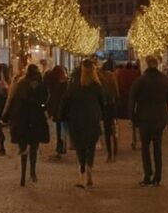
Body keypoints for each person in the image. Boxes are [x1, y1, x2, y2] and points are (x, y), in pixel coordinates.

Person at [129, 56, 168, 187]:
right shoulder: (165, 80)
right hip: (160, 118)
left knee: (145, 148)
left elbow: (132, 100)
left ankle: (147, 174)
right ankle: (158, 176)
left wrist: (132, 117)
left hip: (144, 118)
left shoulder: (140, 81)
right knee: (157, 147)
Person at [61, 58, 106, 188]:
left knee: (80, 147)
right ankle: (89, 171)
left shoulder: (74, 85)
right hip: (92, 119)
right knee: (90, 147)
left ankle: (81, 172)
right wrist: (100, 115)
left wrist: (62, 115)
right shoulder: (97, 86)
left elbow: (65, 100)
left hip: (77, 119)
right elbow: (102, 102)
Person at [3, 64, 49, 186]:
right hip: (35, 120)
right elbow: (45, 100)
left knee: (23, 149)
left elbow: (12, 100)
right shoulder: (39, 85)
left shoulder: (20, 84)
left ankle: (23, 175)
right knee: (33, 148)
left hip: (22, 120)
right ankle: (32, 172)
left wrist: (6, 116)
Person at [45, 64, 69, 156]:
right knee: (64, 127)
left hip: (56, 108)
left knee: (59, 128)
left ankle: (60, 145)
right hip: (64, 108)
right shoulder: (64, 84)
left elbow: (51, 96)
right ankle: (63, 145)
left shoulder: (53, 83)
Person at [99, 59, 120, 160]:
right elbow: (117, 93)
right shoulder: (112, 78)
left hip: (105, 106)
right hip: (113, 105)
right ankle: (115, 147)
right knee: (114, 126)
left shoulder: (100, 79)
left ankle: (109, 153)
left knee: (107, 130)